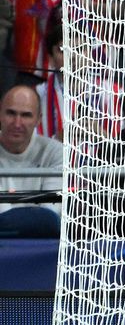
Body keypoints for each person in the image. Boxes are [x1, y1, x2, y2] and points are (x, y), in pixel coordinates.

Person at [0, 84, 63, 237]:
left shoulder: (56, 152)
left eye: (26, 115)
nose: (17, 123)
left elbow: (49, 215)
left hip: (41, 244)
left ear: (38, 119)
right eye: (10, 113)